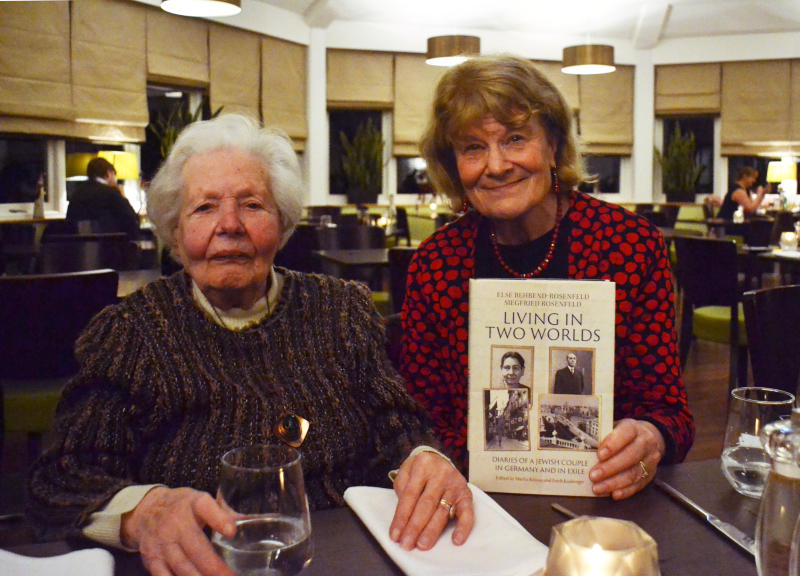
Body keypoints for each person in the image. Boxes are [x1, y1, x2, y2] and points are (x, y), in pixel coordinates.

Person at [29, 114, 474, 575]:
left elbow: (398, 421)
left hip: (349, 556)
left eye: (252, 205)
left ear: (281, 224)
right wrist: (143, 510)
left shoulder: (341, 309)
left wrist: (424, 457)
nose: (229, 225)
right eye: (204, 208)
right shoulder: (130, 334)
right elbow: (61, 480)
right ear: (175, 234)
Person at [400, 55, 694, 501]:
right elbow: (418, 415)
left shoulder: (630, 246)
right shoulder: (435, 264)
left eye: (515, 139)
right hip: (472, 507)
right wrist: (429, 457)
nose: (496, 165)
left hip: (605, 501)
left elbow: (671, 412)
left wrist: (651, 438)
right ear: (453, 164)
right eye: (473, 148)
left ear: (553, 144)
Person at [66, 156, 140, 238]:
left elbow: (69, 222)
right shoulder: (111, 193)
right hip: (108, 244)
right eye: (114, 175)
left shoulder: (77, 193)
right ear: (108, 173)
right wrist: (122, 195)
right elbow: (132, 221)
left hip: (79, 245)